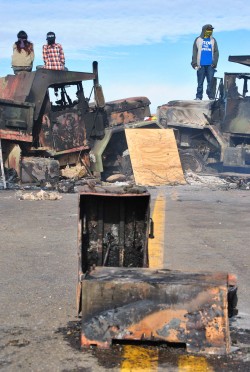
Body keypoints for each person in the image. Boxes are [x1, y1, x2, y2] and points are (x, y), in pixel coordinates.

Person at [191, 24, 219, 100]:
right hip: (200, 65)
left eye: (211, 30)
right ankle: (198, 97)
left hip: (210, 65)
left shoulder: (213, 40)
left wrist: (214, 63)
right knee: (200, 82)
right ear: (204, 30)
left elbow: (216, 52)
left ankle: (211, 96)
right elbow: (194, 52)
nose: (210, 31)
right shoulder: (198, 39)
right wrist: (194, 64)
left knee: (211, 82)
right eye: (208, 30)